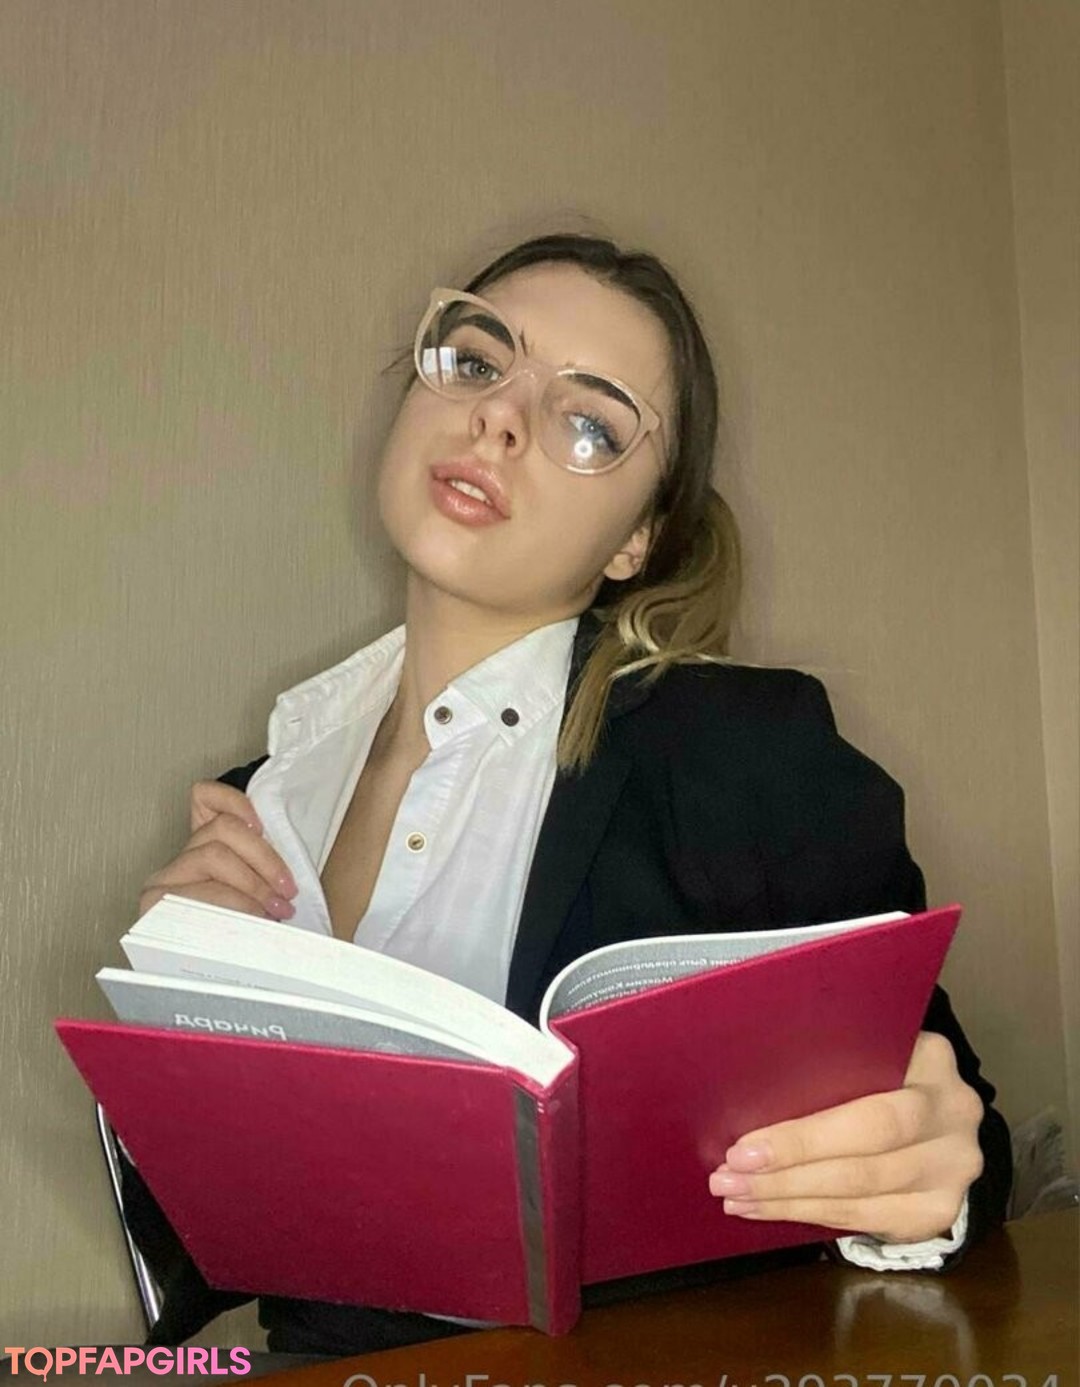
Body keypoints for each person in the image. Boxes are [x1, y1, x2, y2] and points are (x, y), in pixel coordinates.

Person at [129, 232, 1012, 1355]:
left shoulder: (745, 754)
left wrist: (928, 1176)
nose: (499, 418)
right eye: (476, 360)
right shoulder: (256, 801)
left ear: (637, 538)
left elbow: (951, 1129)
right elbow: (212, 1250)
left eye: (588, 422)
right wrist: (169, 1003)